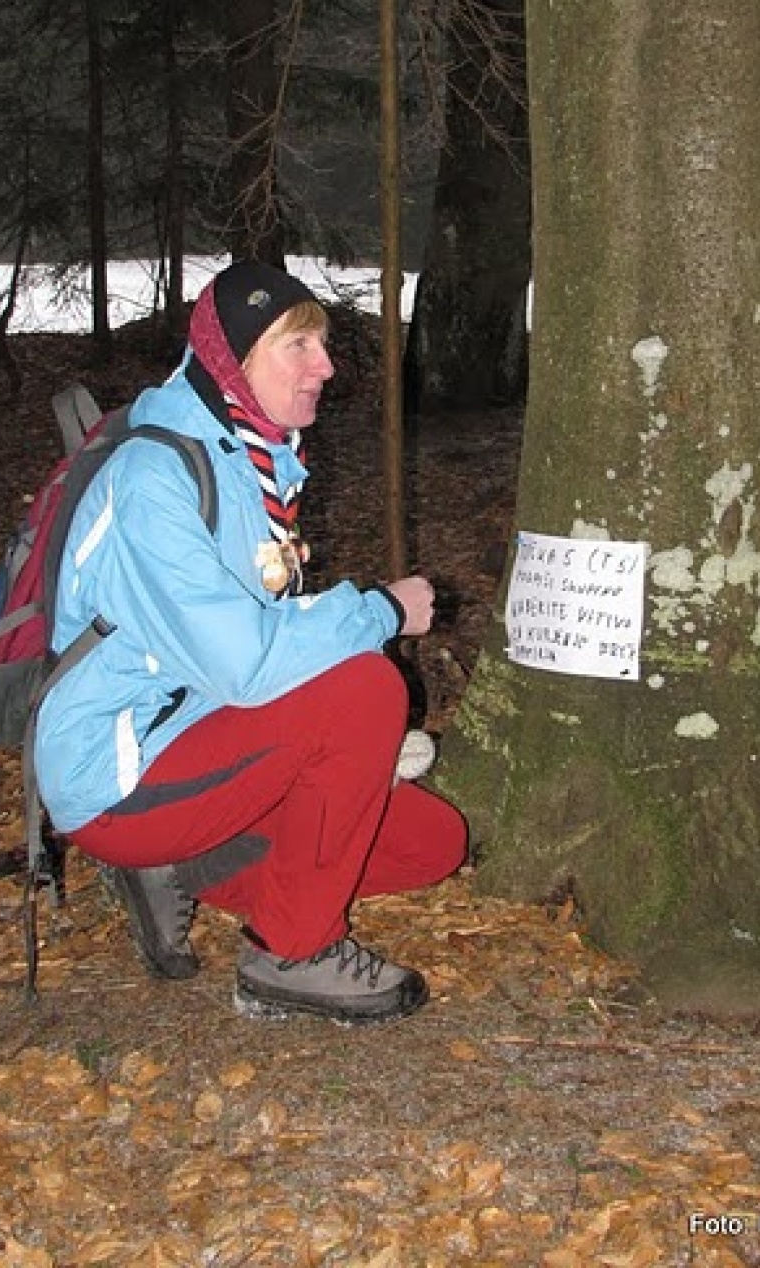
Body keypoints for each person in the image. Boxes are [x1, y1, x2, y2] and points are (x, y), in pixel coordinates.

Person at [34, 260, 468, 1026]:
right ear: (231, 359)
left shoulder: (251, 459)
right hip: (118, 773)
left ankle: (186, 862)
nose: (325, 366)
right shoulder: (154, 479)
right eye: (296, 345)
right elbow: (248, 663)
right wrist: (376, 612)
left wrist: (342, 757)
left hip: (202, 736)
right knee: (366, 687)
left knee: (430, 843)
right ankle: (289, 953)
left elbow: (257, 645)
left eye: (321, 345)